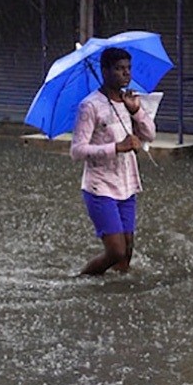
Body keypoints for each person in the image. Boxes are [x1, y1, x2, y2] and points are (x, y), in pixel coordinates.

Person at [70, 47, 156, 276]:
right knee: (116, 251)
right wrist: (116, 147)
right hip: (100, 187)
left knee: (127, 251)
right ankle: (81, 280)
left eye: (128, 69)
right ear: (105, 71)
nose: (125, 74)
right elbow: (77, 151)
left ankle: (117, 294)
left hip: (127, 184)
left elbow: (150, 134)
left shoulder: (129, 102)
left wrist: (136, 111)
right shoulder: (90, 106)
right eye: (119, 69)